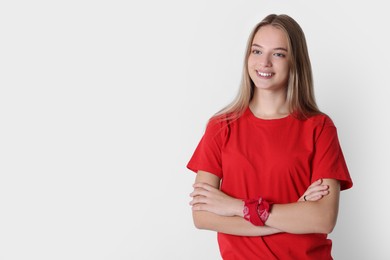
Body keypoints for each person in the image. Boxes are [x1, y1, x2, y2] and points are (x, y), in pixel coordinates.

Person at [186, 14, 353, 259]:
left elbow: (323, 219)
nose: (264, 62)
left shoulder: (319, 127)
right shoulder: (221, 127)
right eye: (256, 51)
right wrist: (294, 213)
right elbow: (202, 216)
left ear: (295, 62)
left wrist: (236, 207)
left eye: (278, 54)